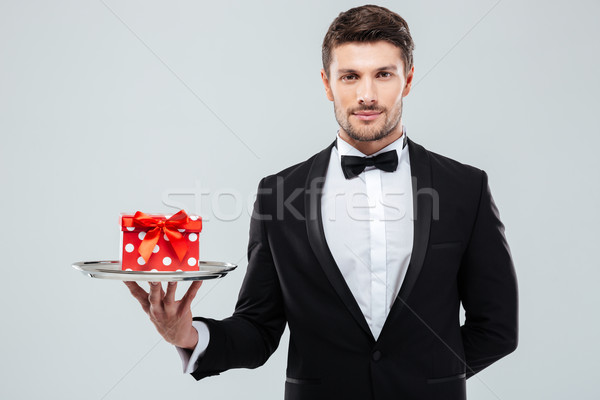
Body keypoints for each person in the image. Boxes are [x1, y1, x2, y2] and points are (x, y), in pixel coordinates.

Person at [124, 4, 518, 399]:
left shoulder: (465, 187)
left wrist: (427, 377)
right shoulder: (278, 195)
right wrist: (189, 335)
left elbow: (497, 328)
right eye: (350, 76)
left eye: (383, 74)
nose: (366, 94)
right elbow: (258, 329)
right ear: (328, 84)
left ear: (408, 80)